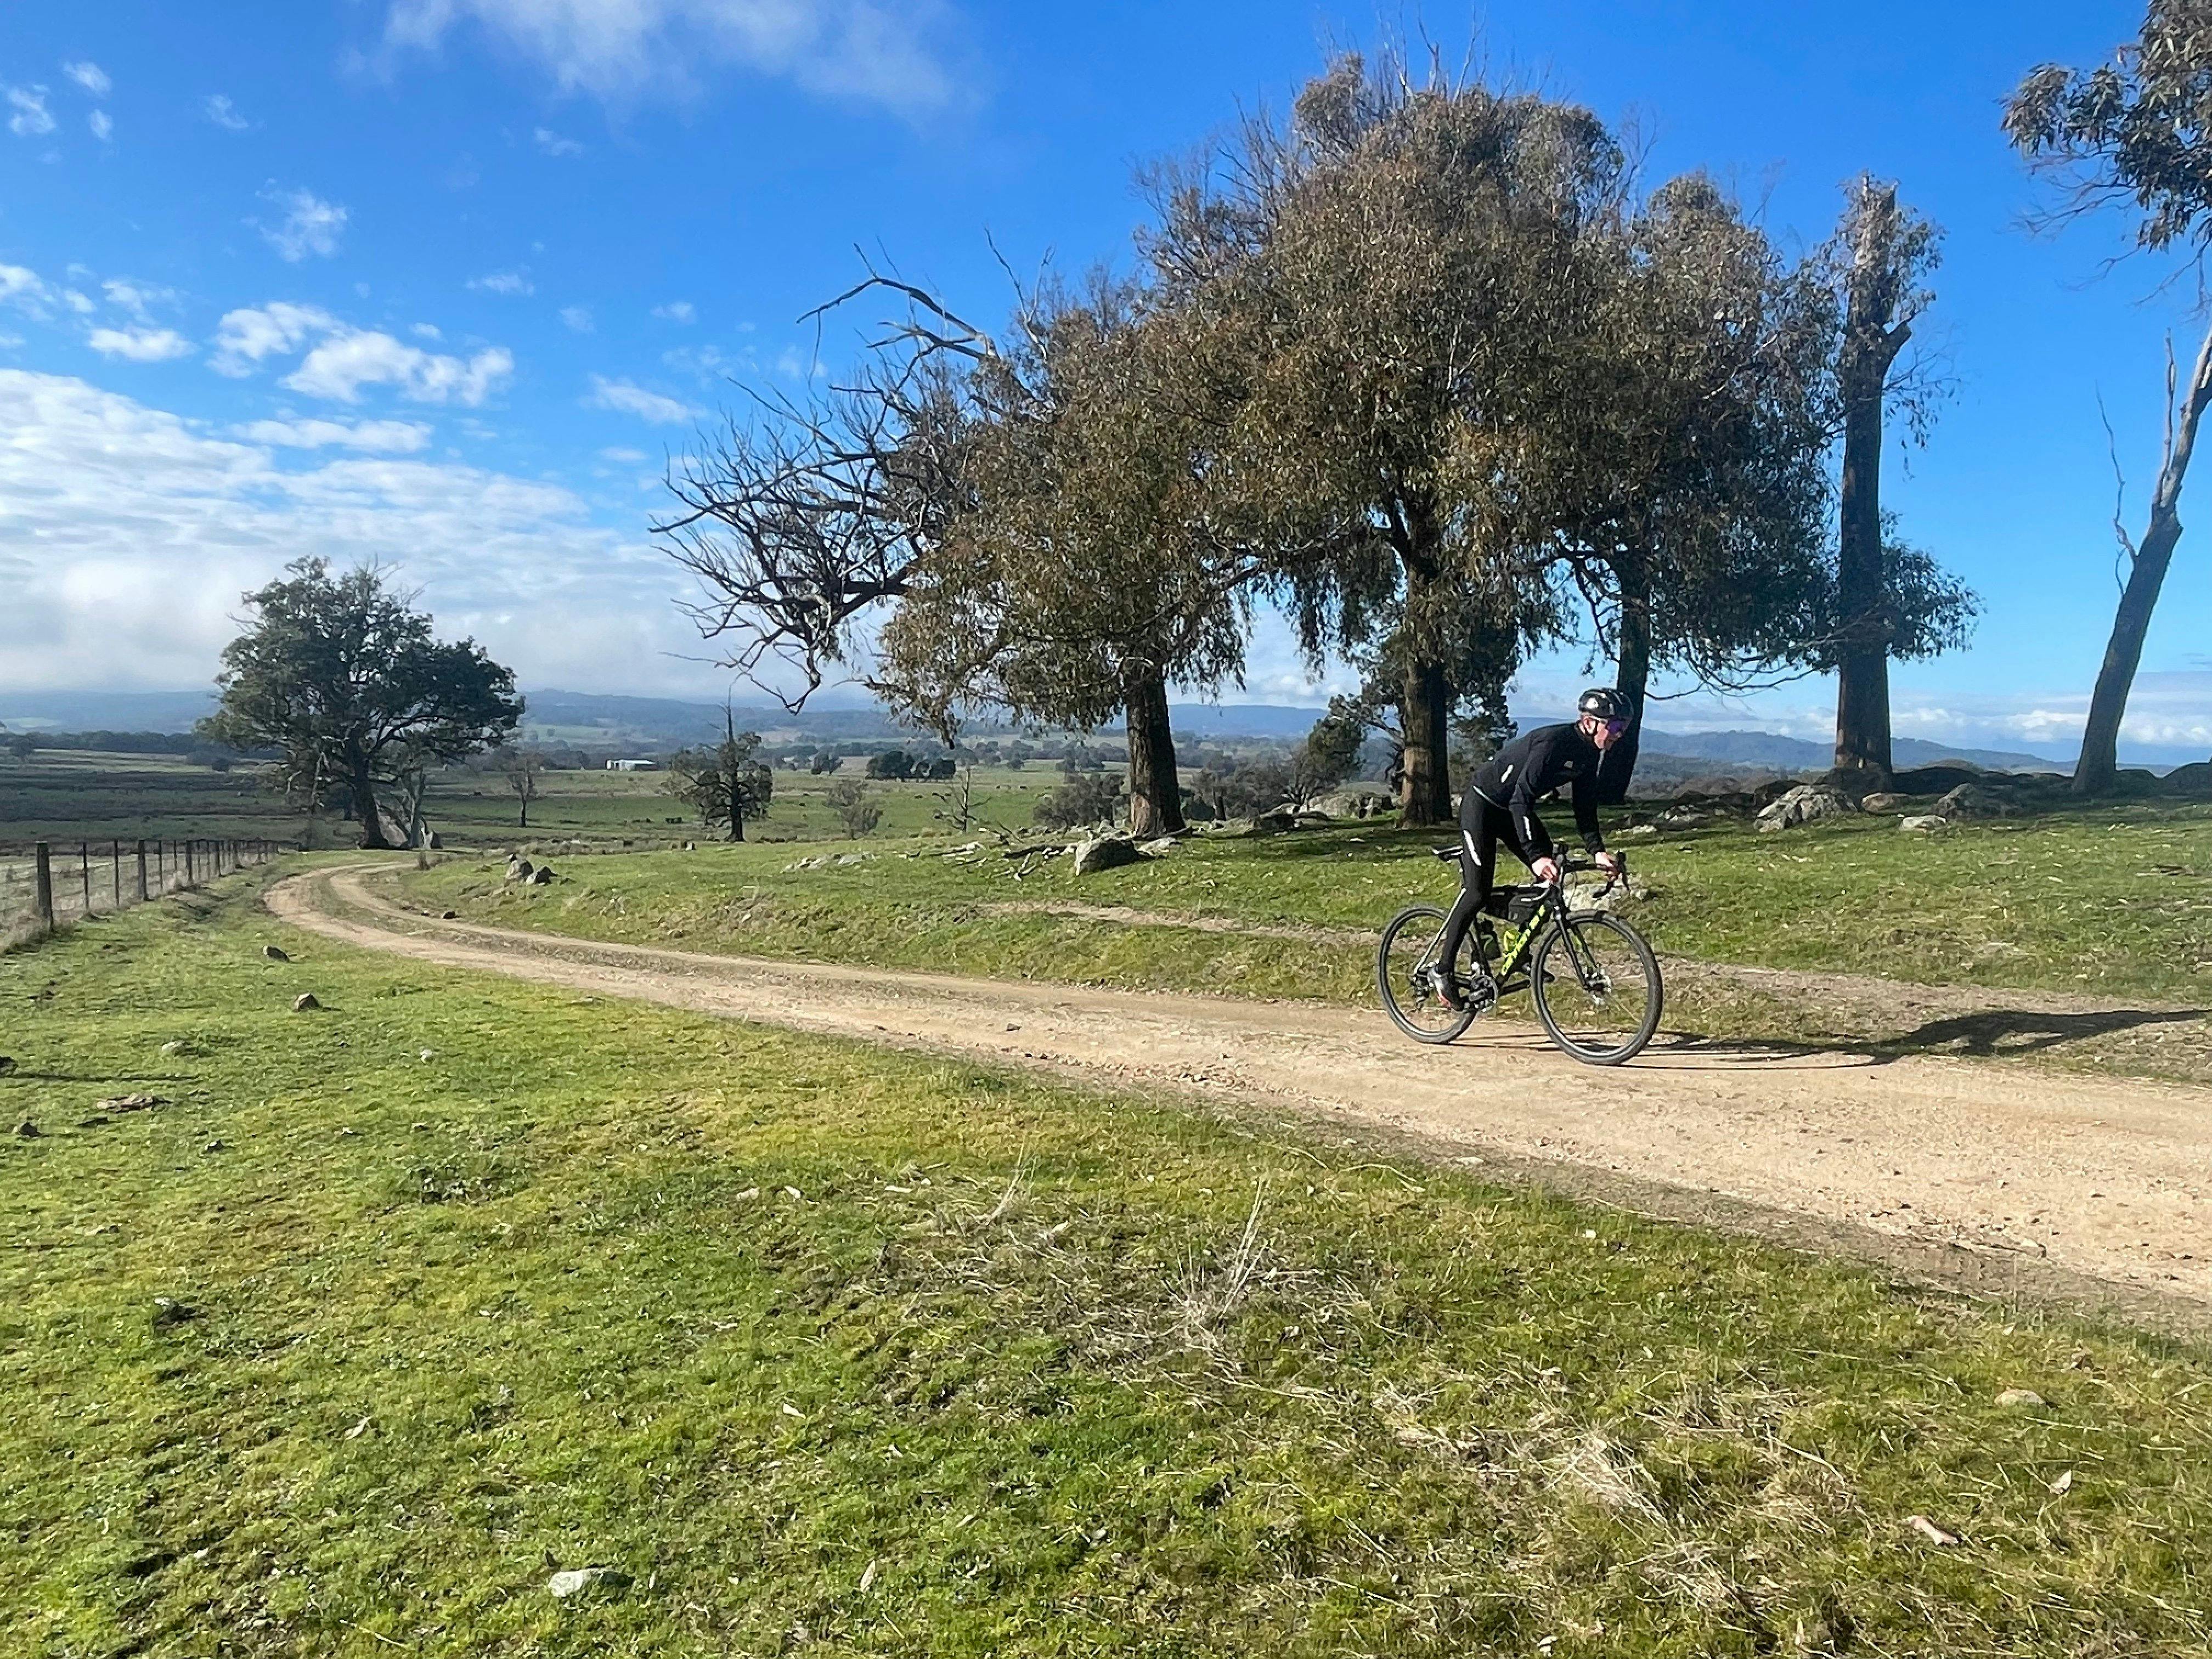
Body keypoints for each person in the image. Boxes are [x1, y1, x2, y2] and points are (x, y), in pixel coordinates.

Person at [1427, 688, 1628, 1011]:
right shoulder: (1553, 744)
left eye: (1624, 729)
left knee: (1551, 879)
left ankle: (1516, 948)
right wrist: (1536, 856)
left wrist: (1597, 851)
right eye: (1615, 727)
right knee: (1477, 892)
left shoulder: (1591, 753)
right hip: (1483, 806)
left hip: (1512, 810)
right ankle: (1443, 969)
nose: (1619, 735)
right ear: (1590, 722)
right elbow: (1522, 799)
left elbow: (1584, 806)